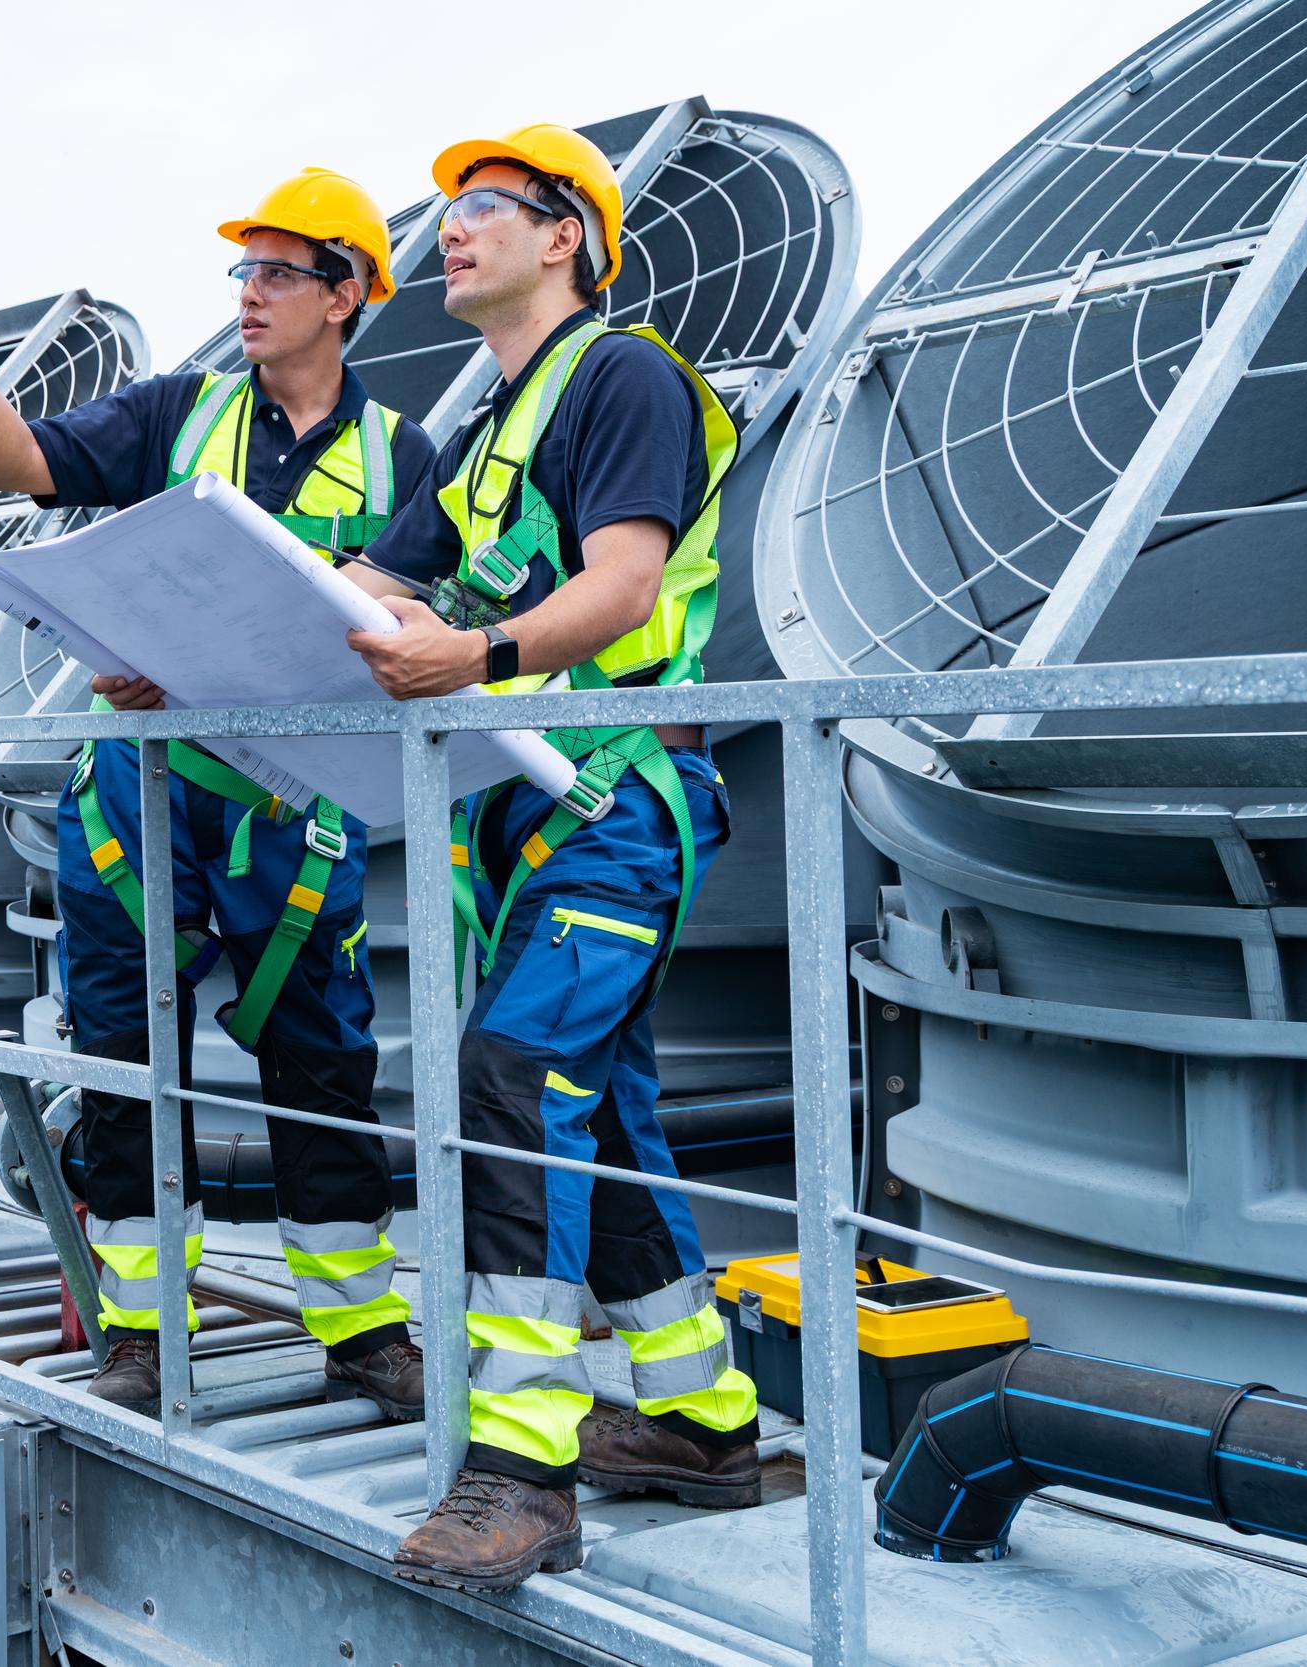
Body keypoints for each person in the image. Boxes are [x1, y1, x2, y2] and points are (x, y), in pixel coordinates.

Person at [0, 168, 438, 1418]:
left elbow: (415, 601)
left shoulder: (404, 451)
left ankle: (359, 1328)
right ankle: (141, 1323)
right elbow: (20, 460)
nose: (248, 295)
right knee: (126, 1054)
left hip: (292, 811)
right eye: (241, 273)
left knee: (323, 1063)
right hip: (136, 796)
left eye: (278, 274)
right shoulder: (177, 415)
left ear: (345, 295)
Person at [338, 124, 760, 1591]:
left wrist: (484, 650)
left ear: (563, 233)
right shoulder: (491, 422)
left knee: (511, 1074)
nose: (447, 233)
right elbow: (379, 575)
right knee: (604, 1103)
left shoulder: (625, 377)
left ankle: (524, 1465)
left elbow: (625, 583)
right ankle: (708, 1424)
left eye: (482, 210)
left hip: (620, 807)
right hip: (533, 811)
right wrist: (202, 617)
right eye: (446, 213)